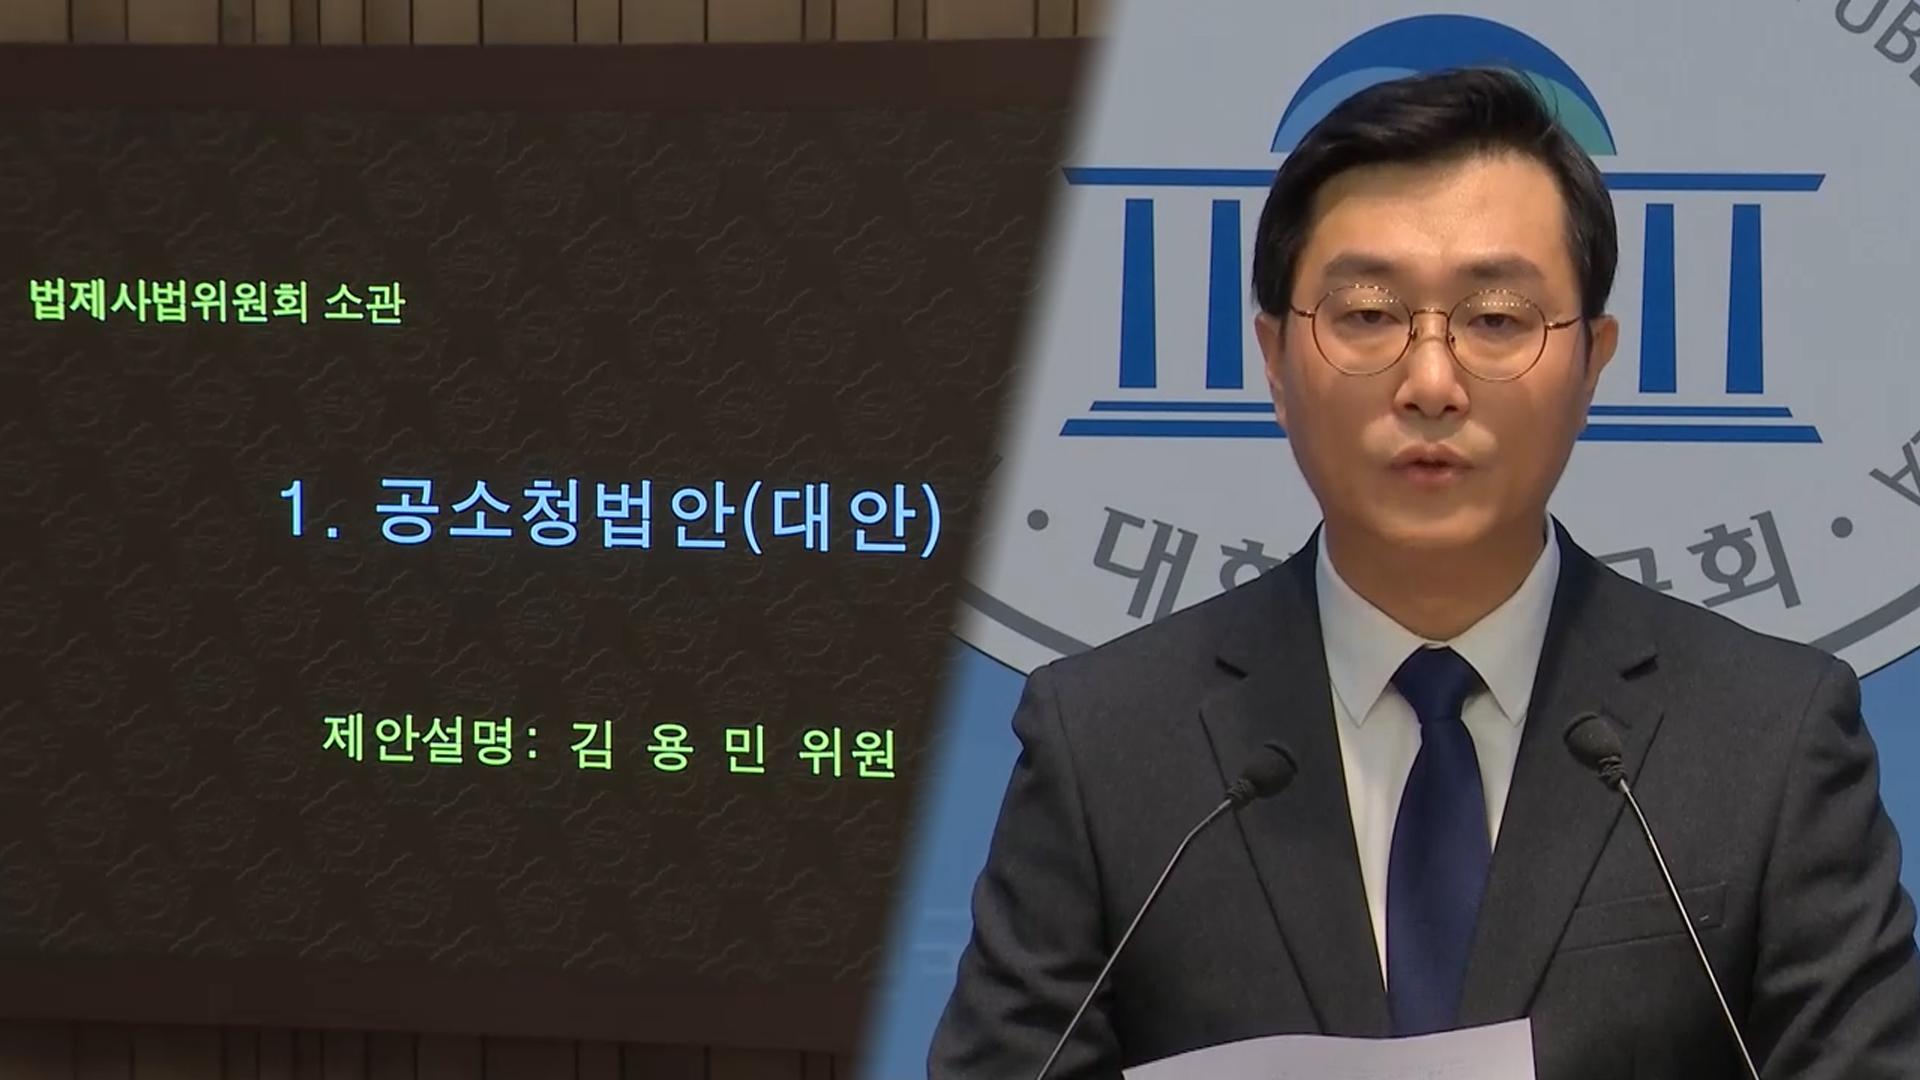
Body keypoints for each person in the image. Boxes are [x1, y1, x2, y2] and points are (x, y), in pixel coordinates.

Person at [928, 68, 1920, 1079]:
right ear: (1274, 359)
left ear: (1592, 362)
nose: (1432, 383)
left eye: (1497, 319)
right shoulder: (1108, 745)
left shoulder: (1768, 740)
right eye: (1367, 314)